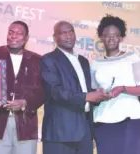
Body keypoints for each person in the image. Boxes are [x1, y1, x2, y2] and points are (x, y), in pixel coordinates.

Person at [40, 21, 109, 154]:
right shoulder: (48, 60)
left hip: (84, 131)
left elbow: (84, 89)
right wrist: (87, 96)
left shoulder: (83, 60)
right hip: (60, 132)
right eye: (63, 33)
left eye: (71, 31)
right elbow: (55, 92)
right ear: (55, 38)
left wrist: (97, 93)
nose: (68, 36)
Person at [0, 20, 44, 154]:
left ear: (26, 38)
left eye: (19, 33)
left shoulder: (37, 60)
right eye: (11, 32)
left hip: (25, 126)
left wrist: (25, 103)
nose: (13, 36)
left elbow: (42, 91)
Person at [91, 14, 140, 154]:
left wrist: (123, 89)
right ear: (101, 37)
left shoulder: (133, 58)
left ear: (121, 37)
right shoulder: (95, 63)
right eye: (107, 35)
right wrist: (99, 93)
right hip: (103, 120)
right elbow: (93, 91)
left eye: (116, 35)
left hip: (131, 119)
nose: (111, 38)